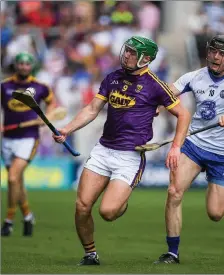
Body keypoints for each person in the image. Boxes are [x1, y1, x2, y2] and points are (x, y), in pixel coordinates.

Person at [52, 36, 191, 265]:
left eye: (132, 53)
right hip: (103, 150)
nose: (126, 55)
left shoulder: (155, 85)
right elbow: (92, 109)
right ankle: (90, 254)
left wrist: (176, 147)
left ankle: (121, 202)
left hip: (130, 157)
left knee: (108, 212)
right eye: (126, 50)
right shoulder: (112, 78)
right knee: (82, 206)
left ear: (145, 59)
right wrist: (67, 129)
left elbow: (183, 115)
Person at [154, 35, 224, 264]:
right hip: (194, 145)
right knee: (174, 192)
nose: (215, 57)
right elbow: (168, 93)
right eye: (212, 51)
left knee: (215, 214)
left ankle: (213, 181)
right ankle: (172, 252)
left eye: (221, 54)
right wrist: (156, 105)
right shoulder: (195, 76)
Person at [1, 52, 56, 237]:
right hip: (7, 138)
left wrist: (46, 118)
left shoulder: (40, 87)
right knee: (17, 181)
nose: (24, 66)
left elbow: (53, 106)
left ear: (31, 66)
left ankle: (8, 221)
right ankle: (28, 216)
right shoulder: (5, 86)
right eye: (21, 63)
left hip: (28, 138)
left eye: (27, 63)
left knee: (12, 178)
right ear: (16, 65)